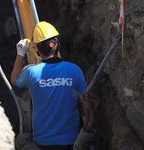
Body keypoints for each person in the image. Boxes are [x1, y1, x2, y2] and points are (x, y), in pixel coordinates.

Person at [11, 21, 87, 150]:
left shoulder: (32, 72)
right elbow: (86, 101)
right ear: (58, 46)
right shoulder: (75, 70)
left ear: (37, 50)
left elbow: (14, 80)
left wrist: (20, 54)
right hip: (71, 141)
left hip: (42, 142)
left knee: (20, 141)